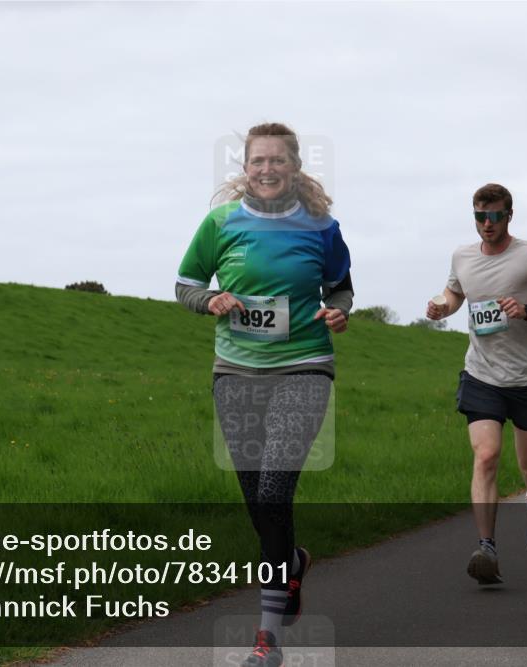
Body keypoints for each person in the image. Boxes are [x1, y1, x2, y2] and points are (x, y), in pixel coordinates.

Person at [176, 123, 352, 667]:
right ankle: (291, 563)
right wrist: (210, 302)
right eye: (258, 162)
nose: (268, 170)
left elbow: (340, 284)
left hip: (304, 365)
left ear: (295, 167)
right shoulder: (220, 223)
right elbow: (185, 284)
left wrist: (339, 309)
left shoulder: (321, 225)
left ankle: (266, 636)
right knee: (257, 498)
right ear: (245, 168)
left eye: (278, 161)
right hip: (236, 372)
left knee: (275, 490)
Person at [427, 183, 527, 585]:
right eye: (480, 216)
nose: (487, 224)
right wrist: (442, 305)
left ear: (509, 215)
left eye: (495, 216)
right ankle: (487, 548)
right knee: (487, 455)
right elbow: (455, 292)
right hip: (481, 374)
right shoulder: (462, 256)